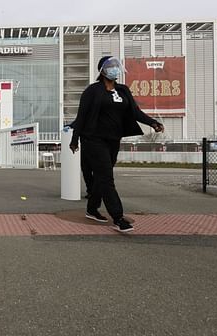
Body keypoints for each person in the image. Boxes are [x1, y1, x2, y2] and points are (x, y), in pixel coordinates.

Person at [69, 56, 165, 233]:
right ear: (102, 70)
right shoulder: (92, 91)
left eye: (116, 66)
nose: (115, 69)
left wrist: (152, 122)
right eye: (111, 66)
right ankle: (118, 217)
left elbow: (135, 112)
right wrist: (74, 140)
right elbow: (81, 117)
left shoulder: (123, 90)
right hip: (93, 139)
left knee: (102, 176)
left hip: (113, 139)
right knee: (106, 177)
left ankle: (92, 209)